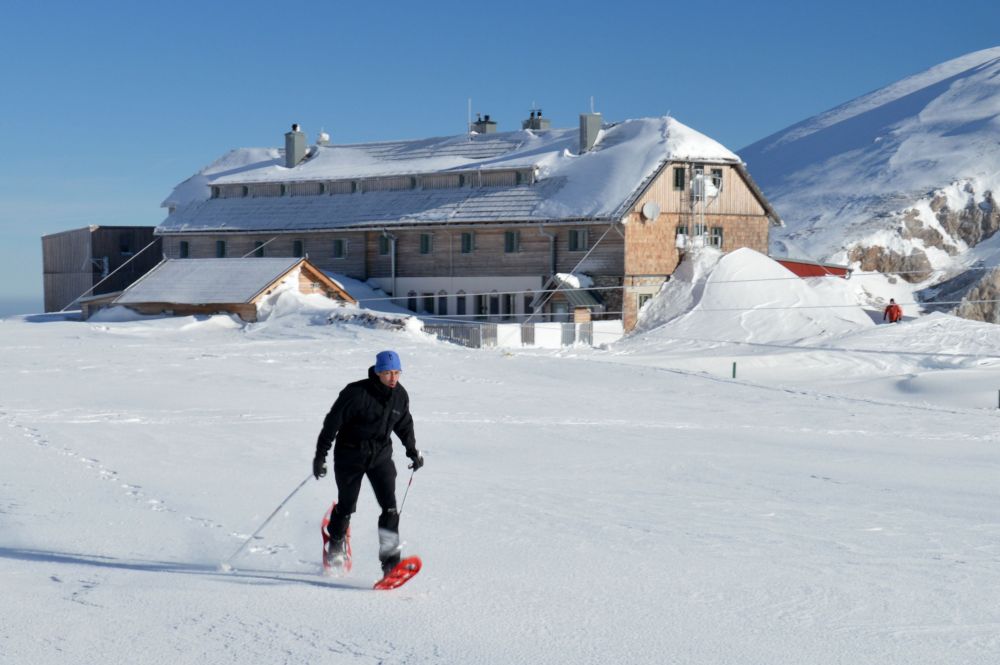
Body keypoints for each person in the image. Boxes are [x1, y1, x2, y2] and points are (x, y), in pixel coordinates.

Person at [313, 350, 424, 577]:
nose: (393, 378)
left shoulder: (400, 396)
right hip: (350, 456)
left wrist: (413, 451)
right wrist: (320, 456)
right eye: (387, 373)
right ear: (377, 372)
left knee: (390, 509)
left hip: (381, 457)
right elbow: (332, 423)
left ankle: (390, 563)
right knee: (346, 506)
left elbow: (404, 425)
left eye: (397, 373)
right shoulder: (356, 393)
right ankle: (335, 542)